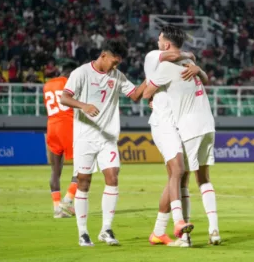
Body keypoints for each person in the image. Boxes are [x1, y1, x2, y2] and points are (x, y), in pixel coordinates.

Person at [60, 38, 146, 247]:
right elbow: (64, 97)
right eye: (114, 62)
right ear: (104, 55)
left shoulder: (117, 75)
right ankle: (83, 232)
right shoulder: (81, 73)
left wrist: (151, 80)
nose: (115, 67)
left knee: (113, 176)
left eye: (118, 64)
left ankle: (106, 229)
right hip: (85, 137)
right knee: (84, 182)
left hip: (107, 138)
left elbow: (135, 95)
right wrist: (83, 106)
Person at [143, 25, 222, 245]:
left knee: (181, 178)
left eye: (160, 40)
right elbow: (204, 78)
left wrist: (153, 95)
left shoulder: (165, 66)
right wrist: (199, 69)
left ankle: (184, 234)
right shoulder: (190, 64)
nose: (158, 42)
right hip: (208, 124)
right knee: (202, 178)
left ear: (166, 44)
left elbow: (145, 93)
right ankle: (214, 231)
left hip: (188, 127)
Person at [144, 47, 204, 247]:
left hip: (178, 125)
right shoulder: (155, 57)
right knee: (178, 171)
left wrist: (196, 67)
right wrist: (189, 57)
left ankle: (159, 232)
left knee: (177, 177)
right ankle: (179, 222)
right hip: (163, 125)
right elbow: (146, 93)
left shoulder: (183, 69)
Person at [43, 62, 78, 218]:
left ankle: (57, 209)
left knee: (55, 171)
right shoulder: (71, 82)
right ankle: (68, 200)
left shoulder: (47, 85)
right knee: (84, 166)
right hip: (68, 126)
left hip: (51, 127)